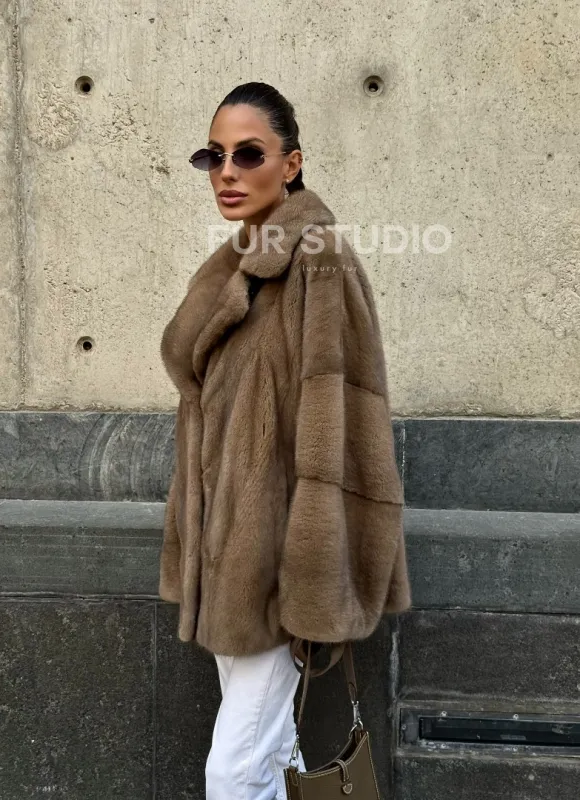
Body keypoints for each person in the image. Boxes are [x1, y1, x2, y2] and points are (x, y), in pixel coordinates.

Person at [158, 81, 412, 799]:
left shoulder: (319, 260)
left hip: (278, 573)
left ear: (291, 164)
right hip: (223, 564)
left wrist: (312, 581)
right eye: (213, 156)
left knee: (233, 773)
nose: (227, 172)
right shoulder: (236, 268)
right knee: (263, 761)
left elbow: (341, 433)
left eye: (249, 154)